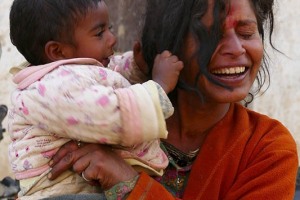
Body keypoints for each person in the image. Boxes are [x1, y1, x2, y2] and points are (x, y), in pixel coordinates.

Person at [48, 0, 299, 199]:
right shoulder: (100, 121)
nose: (236, 49)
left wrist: (127, 182)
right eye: (210, 36)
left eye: (246, 33)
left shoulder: (269, 148)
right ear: (163, 48)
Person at [7, 0, 183, 199]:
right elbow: (110, 115)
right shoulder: (53, 86)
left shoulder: (74, 73)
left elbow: (111, 76)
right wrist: (159, 87)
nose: (112, 39)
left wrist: (137, 66)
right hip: (62, 193)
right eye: (100, 33)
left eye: (110, 28)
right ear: (57, 51)